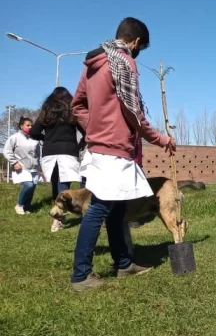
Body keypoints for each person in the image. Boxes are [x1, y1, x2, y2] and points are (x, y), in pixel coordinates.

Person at [69, 17, 176, 291]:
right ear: (137, 42)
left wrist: (93, 126)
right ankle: (81, 275)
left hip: (99, 147)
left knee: (116, 210)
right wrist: (160, 139)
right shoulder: (124, 62)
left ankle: (124, 263)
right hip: (113, 150)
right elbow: (133, 113)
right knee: (100, 209)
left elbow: (77, 106)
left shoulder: (92, 65)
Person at [30, 86, 84, 232]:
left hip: (50, 152)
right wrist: (80, 144)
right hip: (68, 151)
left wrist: (46, 138)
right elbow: (86, 130)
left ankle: (57, 218)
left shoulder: (46, 112)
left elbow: (34, 132)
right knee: (64, 185)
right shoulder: (72, 112)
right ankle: (60, 217)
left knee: (56, 184)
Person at [3, 117, 41, 215]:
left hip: (33, 167)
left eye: (31, 125)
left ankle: (27, 206)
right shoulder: (14, 137)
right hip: (21, 166)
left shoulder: (34, 139)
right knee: (28, 185)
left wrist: (39, 167)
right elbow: (7, 151)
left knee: (32, 187)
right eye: (28, 125)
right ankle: (19, 205)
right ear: (21, 126)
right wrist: (14, 162)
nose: (30, 127)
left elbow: (37, 154)